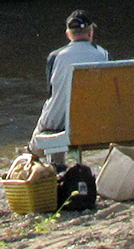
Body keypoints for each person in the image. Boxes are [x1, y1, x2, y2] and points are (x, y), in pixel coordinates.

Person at [30, 10, 111, 158]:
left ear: (68, 34)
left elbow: (51, 94)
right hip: (97, 124)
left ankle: (53, 167)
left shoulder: (56, 57)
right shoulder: (104, 56)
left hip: (58, 126)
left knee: (51, 118)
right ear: (90, 32)